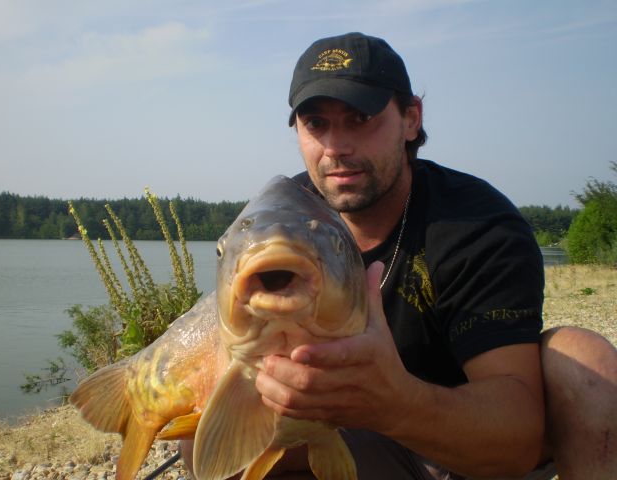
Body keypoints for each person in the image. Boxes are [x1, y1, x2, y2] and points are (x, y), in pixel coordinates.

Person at [182, 32, 617, 479]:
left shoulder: (478, 227)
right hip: (348, 431)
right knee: (197, 436)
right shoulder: (282, 226)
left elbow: (517, 442)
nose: (336, 147)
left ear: (411, 119)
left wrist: (393, 402)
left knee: (584, 361)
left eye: (360, 117)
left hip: (463, 443)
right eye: (316, 123)